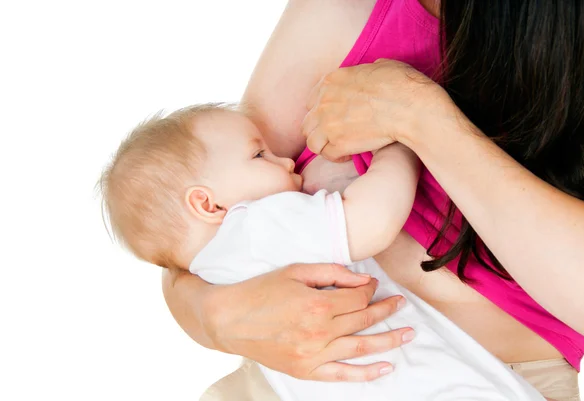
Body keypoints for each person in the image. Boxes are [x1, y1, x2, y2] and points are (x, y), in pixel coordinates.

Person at [162, 1, 584, 400]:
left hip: (492, 380)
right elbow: (194, 227)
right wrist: (215, 317)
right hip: (300, 379)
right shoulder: (344, 11)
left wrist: (420, 117)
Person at [99, 104, 544, 400]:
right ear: (207, 204)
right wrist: (400, 145)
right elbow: (374, 219)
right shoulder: (257, 226)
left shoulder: (212, 269)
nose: (285, 161)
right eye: (259, 156)